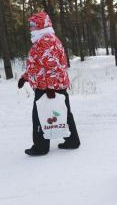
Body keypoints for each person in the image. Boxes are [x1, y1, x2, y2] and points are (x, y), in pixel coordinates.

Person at [18, 11, 80, 156]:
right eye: (30, 25)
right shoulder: (44, 40)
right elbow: (37, 66)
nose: (30, 28)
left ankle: (41, 147)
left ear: (41, 25)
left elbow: (53, 67)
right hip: (51, 85)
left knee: (39, 115)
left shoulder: (46, 42)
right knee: (64, 113)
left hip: (47, 87)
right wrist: (25, 77)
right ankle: (72, 140)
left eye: (33, 25)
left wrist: (50, 88)